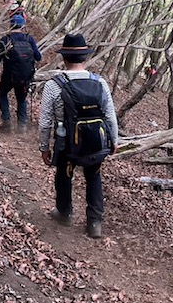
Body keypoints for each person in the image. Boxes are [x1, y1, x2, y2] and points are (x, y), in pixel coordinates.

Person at [38, 33, 119, 239]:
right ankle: (94, 223)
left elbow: (45, 121)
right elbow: (110, 115)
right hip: (95, 143)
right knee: (94, 176)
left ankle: (64, 213)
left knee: (64, 175)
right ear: (85, 57)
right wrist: (114, 140)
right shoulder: (100, 82)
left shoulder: (53, 85)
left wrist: (44, 147)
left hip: (67, 144)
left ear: (64, 57)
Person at [0, 14, 41, 132]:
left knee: (2, 94)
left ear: (10, 25)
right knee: (21, 100)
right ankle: (22, 126)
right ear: (23, 26)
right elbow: (38, 57)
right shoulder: (29, 39)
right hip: (24, 77)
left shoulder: (5, 40)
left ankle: (6, 121)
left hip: (8, 75)